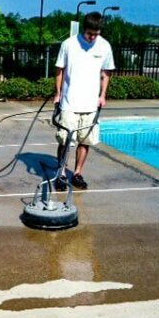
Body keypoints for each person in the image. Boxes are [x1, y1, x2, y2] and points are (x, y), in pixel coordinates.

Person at [53, 11, 115, 190]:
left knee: (85, 140)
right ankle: (62, 173)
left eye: (96, 34)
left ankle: (77, 173)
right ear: (83, 30)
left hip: (90, 104)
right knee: (65, 140)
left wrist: (102, 96)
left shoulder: (104, 46)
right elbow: (59, 70)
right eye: (90, 34)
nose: (93, 37)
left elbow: (106, 73)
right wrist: (58, 94)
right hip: (69, 102)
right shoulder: (69, 44)